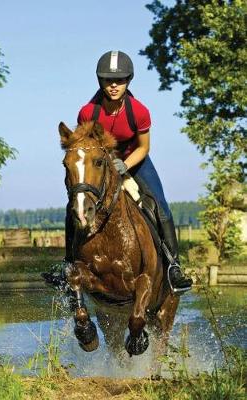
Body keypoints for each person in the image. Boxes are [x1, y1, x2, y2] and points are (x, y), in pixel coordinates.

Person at [67, 50, 192, 293]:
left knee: (160, 204)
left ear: (128, 81)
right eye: (107, 80)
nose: (113, 85)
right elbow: (86, 146)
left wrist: (125, 165)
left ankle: (173, 267)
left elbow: (144, 147)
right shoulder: (88, 112)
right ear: (100, 81)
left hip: (135, 158)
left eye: (120, 80)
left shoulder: (139, 111)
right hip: (102, 162)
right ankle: (68, 264)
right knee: (76, 202)